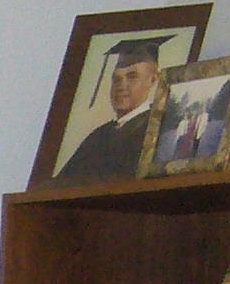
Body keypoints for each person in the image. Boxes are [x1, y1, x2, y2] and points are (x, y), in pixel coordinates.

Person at [53, 32, 178, 183]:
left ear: (153, 80)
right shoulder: (99, 135)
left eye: (132, 77)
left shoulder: (157, 128)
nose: (121, 86)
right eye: (116, 79)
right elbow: (61, 184)